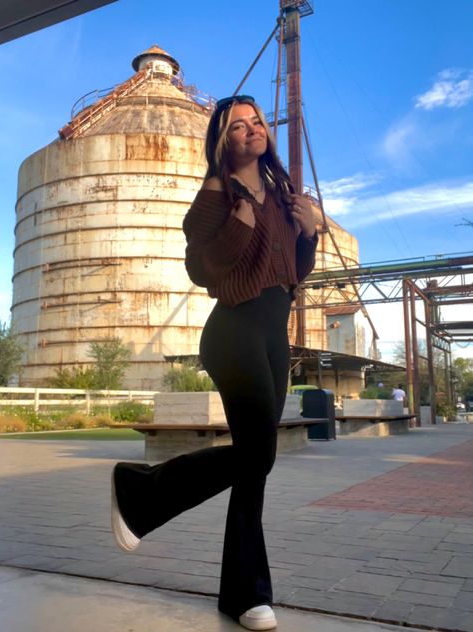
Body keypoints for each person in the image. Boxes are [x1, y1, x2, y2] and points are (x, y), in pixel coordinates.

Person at [111, 94, 318, 631]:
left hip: (274, 333)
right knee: (257, 457)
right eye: (237, 125)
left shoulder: (280, 192)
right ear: (221, 141)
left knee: (257, 463)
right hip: (234, 332)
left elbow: (293, 274)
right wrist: (239, 224)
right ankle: (146, 499)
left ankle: (237, 593)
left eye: (256, 122)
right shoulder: (215, 194)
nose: (251, 130)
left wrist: (310, 232)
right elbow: (204, 270)